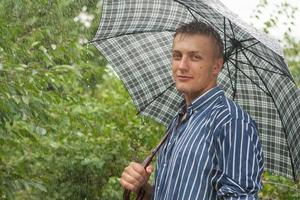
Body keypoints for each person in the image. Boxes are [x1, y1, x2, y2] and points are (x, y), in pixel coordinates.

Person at [120, 20, 264, 200]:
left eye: (195, 57)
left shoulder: (231, 122)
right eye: (177, 56)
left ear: (217, 66)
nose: (182, 66)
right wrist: (143, 188)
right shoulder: (179, 119)